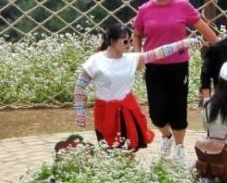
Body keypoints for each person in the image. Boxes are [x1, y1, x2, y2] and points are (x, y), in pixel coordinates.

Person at [133, 0, 219, 165]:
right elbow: (137, 34)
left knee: (177, 108)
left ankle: (179, 147)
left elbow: (204, 29)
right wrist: (138, 55)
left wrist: (221, 47)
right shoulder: (145, 9)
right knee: (157, 111)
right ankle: (166, 137)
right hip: (153, 65)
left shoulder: (183, 6)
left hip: (178, 65)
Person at [74, 23, 202, 150]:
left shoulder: (132, 59)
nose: (129, 45)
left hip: (128, 111)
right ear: (112, 40)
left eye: (130, 41)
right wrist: (80, 113)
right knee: (107, 150)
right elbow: (79, 87)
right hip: (105, 113)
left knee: (130, 150)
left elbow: (158, 53)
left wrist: (183, 43)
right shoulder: (95, 61)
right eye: (125, 42)